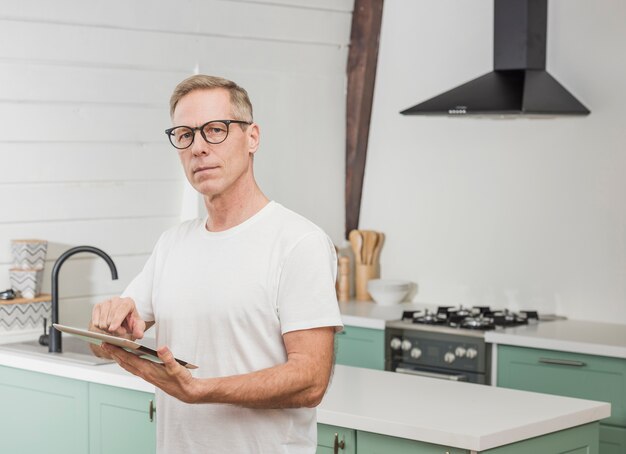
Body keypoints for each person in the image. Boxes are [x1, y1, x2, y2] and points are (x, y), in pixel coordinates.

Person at [90, 75, 343, 453]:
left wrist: (200, 391)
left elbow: (311, 381)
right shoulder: (172, 243)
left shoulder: (299, 242)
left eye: (215, 130)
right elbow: (103, 344)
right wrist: (108, 326)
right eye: (185, 134)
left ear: (252, 137)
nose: (198, 148)